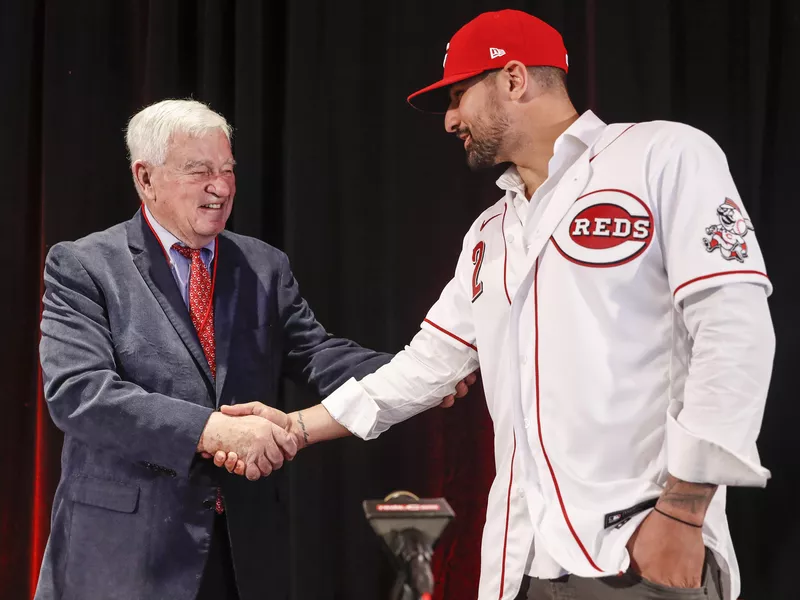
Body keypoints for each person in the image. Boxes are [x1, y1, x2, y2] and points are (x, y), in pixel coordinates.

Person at [219, 9, 776, 600]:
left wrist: (686, 512)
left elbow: (733, 331)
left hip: (638, 551)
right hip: (525, 563)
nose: (450, 120)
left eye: (459, 96)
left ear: (514, 79)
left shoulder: (662, 155)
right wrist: (294, 427)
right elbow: (425, 366)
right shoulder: (490, 232)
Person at [35, 98, 471, 600]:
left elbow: (316, 354)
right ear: (145, 178)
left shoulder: (263, 265)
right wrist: (210, 430)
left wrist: (418, 374)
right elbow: (78, 393)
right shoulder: (83, 265)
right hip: (125, 555)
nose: (220, 187)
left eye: (227, 170)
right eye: (200, 171)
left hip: (241, 552)